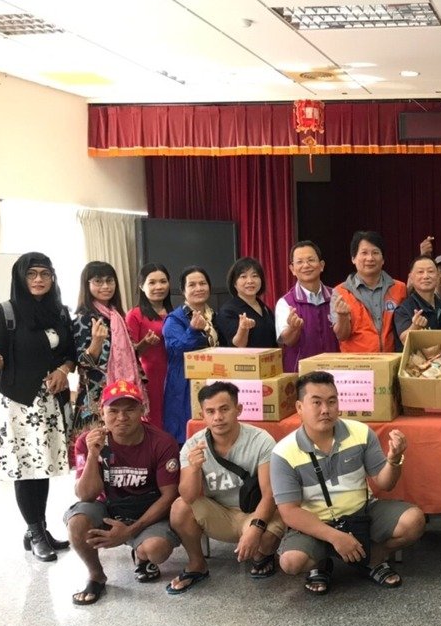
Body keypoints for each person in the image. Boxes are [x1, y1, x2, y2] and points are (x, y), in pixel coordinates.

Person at [270, 371, 425, 595]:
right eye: (316, 402)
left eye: (332, 401)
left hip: (362, 512)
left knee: (414, 521)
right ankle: (320, 564)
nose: (326, 409)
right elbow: (290, 512)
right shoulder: (283, 452)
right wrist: (336, 537)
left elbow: (385, 483)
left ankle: (372, 560)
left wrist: (394, 461)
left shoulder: (360, 432)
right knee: (291, 562)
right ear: (299, 407)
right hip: (315, 523)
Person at [0, 253, 76, 561]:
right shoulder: (5, 312)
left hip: (51, 403)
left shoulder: (59, 312)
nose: (39, 279)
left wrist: (63, 371)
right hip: (20, 403)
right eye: (31, 274)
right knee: (25, 470)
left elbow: (70, 352)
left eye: (44, 273)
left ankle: (39, 528)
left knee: (42, 468)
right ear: (21, 278)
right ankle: (34, 532)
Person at [66, 380, 181, 605]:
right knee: (77, 523)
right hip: (107, 506)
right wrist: (92, 455)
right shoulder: (87, 441)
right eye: (114, 411)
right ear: (102, 411)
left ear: (142, 410)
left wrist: (129, 531)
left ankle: (140, 553)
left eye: (129, 410)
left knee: (156, 550)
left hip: (147, 508)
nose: (121, 417)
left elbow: (169, 495)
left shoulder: (162, 442)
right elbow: (85, 495)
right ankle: (96, 575)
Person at [168, 382, 285, 593]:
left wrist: (255, 528)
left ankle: (264, 555)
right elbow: (188, 496)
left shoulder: (261, 440)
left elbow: (271, 494)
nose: (218, 417)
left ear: (238, 410)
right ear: (202, 414)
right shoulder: (193, 445)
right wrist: (194, 468)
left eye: (224, 409)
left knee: (264, 542)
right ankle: (197, 564)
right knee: (179, 508)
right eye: (210, 411)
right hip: (220, 513)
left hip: (255, 511)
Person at [72, 260, 147, 435]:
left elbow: (125, 359)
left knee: (124, 447)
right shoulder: (84, 319)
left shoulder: (117, 316)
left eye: (109, 280)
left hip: (123, 394)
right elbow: (82, 364)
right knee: (95, 450)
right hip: (96, 397)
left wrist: (143, 345)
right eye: (98, 281)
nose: (105, 286)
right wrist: (96, 343)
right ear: (87, 284)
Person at [163, 266, 219, 443]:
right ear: (183, 291)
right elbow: (177, 348)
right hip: (184, 384)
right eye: (192, 285)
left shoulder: (214, 316)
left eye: (203, 283)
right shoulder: (175, 319)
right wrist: (193, 330)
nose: (198, 288)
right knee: (187, 435)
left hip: (212, 380)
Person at [333, 231, 407, 353]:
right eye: (364, 253)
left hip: (392, 361)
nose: (370, 258)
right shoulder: (340, 292)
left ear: (383, 259)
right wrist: (342, 317)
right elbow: (341, 336)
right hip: (356, 366)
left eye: (375, 253)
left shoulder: (400, 288)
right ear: (353, 258)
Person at [276, 240, 337, 373]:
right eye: (300, 262)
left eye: (311, 260)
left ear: (321, 265)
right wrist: (293, 328)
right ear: (292, 269)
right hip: (301, 374)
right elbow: (287, 341)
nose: (306, 265)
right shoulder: (285, 302)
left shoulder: (336, 296)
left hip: (335, 371)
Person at [126, 263, 171, 430]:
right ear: (141, 286)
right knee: (155, 423)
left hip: (175, 375)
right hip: (151, 377)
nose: (159, 287)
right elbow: (129, 354)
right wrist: (144, 343)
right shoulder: (135, 314)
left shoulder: (177, 313)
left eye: (163, 281)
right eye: (152, 282)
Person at [216, 257, 276, 349]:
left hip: (268, 361)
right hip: (244, 362)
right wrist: (243, 329)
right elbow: (238, 345)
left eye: (255, 276)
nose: (250, 281)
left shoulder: (264, 308)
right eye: (243, 276)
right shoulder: (228, 311)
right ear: (234, 283)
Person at [393, 255, 441, 348]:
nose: (426, 276)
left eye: (430, 271)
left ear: (438, 276)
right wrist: (415, 326)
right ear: (411, 278)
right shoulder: (403, 309)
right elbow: (404, 340)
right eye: (420, 272)